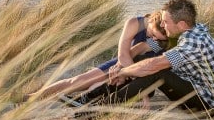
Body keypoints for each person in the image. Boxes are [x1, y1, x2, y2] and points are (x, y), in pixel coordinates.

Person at [72, 0, 214, 115]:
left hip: (208, 104)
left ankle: (98, 110)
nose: (162, 25)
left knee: (156, 72)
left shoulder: (193, 43)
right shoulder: (188, 31)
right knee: (140, 62)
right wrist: (121, 67)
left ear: (181, 24)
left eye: (166, 22)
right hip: (192, 88)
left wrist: (122, 72)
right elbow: (142, 49)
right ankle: (88, 98)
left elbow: (153, 66)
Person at [27, 11, 169, 100]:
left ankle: (79, 99)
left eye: (158, 38)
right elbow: (124, 54)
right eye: (152, 34)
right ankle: (33, 97)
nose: (154, 39)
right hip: (122, 64)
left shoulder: (161, 39)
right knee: (76, 81)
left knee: (98, 86)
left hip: (141, 75)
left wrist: (130, 77)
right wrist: (121, 70)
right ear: (151, 20)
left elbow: (142, 57)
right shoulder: (134, 23)